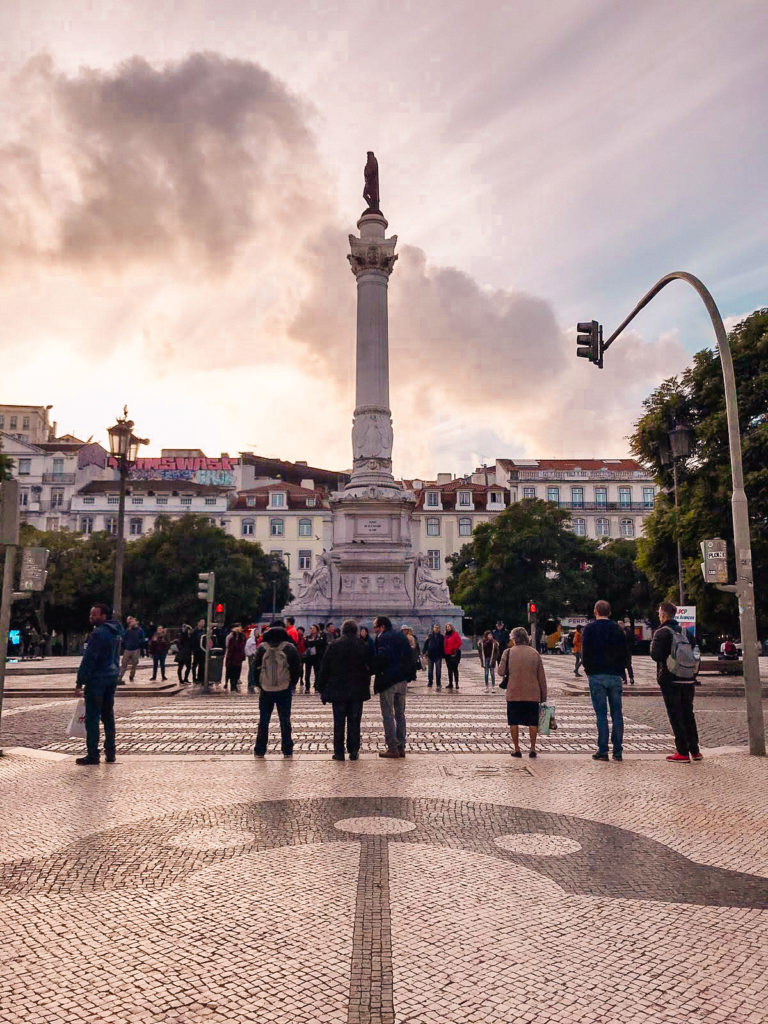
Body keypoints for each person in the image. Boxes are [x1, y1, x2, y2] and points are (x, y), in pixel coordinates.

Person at [651, 601, 702, 763]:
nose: (658, 615)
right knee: (688, 713)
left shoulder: (662, 632)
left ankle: (682, 752)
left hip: (670, 678)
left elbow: (656, 655)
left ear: (663, 614)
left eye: (659, 613)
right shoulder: (686, 632)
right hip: (687, 678)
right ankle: (695, 750)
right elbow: (695, 653)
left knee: (675, 714)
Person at [74, 603, 124, 765]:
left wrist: (79, 682)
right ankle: (111, 752)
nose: (91, 617)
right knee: (108, 715)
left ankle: (93, 754)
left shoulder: (99, 634)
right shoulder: (117, 632)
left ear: (104, 616)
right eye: (91, 614)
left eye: (94, 614)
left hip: (97, 680)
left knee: (92, 718)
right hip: (111, 677)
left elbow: (89, 660)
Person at [317, 618, 372, 760]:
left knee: (339, 722)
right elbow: (369, 667)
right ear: (356, 631)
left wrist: (321, 687)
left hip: (338, 690)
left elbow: (325, 667)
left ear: (342, 630)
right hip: (357, 691)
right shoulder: (362, 644)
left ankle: (339, 752)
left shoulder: (334, 645)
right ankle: (354, 751)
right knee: (355, 722)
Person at [581, 600, 627, 762]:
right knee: (617, 713)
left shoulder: (590, 629)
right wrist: (622, 671)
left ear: (595, 611)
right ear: (610, 612)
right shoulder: (617, 629)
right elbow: (625, 652)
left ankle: (603, 750)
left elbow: (584, 653)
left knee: (601, 714)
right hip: (614, 675)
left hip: (597, 675)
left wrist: (588, 671)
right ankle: (618, 750)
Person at [253, 618, 302, 757]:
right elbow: (297, 668)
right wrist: (292, 683)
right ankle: (287, 748)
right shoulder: (289, 648)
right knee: (285, 720)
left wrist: (259, 684)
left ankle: (260, 749)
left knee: (264, 720)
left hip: (266, 690)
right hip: (284, 689)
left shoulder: (262, 647)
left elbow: (255, 668)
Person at [496, 627, 547, 758]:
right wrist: (543, 696)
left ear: (514, 638)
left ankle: (517, 749)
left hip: (514, 693)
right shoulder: (535, 653)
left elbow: (501, 672)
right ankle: (533, 748)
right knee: (532, 722)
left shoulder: (508, 652)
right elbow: (541, 677)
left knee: (513, 722)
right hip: (533, 694)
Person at [373, 615, 411, 758]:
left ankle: (392, 748)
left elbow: (382, 658)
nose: (374, 629)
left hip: (388, 681)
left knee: (388, 714)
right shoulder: (401, 636)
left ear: (382, 626)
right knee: (400, 714)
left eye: (375, 626)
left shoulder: (383, 638)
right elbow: (410, 656)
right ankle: (401, 747)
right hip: (402, 680)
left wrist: (374, 669)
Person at [118, 616, 144, 684]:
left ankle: (131, 676)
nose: (131, 623)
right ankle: (120, 677)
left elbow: (142, 638)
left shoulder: (140, 630)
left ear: (136, 622)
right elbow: (123, 637)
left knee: (134, 664)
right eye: (130, 622)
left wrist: (139, 643)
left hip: (136, 649)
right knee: (124, 664)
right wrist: (125, 644)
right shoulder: (128, 630)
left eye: (133, 621)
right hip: (127, 649)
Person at [224, 623, 247, 692]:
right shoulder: (230, 637)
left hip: (238, 658)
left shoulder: (242, 637)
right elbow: (228, 646)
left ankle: (234, 685)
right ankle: (231, 685)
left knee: (237, 672)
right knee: (230, 671)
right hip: (231, 657)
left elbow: (243, 646)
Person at [422, 624, 444, 689]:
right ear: (433, 628)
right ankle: (430, 682)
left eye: (438, 628)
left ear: (439, 629)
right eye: (435, 627)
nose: (436, 629)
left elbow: (443, 646)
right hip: (430, 655)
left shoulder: (441, 636)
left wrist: (443, 654)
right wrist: (423, 652)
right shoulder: (430, 636)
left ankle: (438, 683)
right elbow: (426, 644)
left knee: (438, 670)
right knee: (430, 670)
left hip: (438, 656)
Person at [443, 623, 462, 689]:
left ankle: (456, 683)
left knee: (455, 669)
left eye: (449, 626)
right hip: (447, 654)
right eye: (447, 627)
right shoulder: (445, 635)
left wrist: (454, 648)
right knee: (449, 670)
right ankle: (450, 683)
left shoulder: (455, 634)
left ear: (451, 627)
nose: (448, 628)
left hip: (454, 654)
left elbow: (459, 642)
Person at [191, 618, 207, 682]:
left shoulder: (204, 631)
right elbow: (192, 641)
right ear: (198, 623)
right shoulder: (195, 631)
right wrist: (193, 649)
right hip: (197, 650)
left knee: (202, 665)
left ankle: (201, 678)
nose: (203, 623)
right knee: (195, 665)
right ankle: (194, 678)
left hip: (203, 651)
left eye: (204, 622)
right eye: (202, 622)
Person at [245, 626, 259, 693]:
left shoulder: (255, 640)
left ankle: (252, 683)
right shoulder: (250, 640)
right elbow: (246, 649)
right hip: (251, 656)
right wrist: (250, 654)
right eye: (256, 632)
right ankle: (250, 684)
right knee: (251, 670)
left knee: (253, 670)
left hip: (254, 656)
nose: (257, 633)